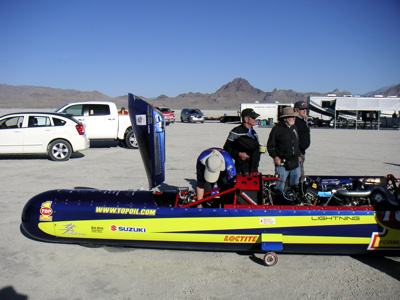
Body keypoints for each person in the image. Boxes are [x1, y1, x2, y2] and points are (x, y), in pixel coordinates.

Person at [267, 106, 301, 194]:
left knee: (295, 187)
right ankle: (278, 203)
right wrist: (275, 157)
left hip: (295, 163)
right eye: (291, 117)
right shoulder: (277, 129)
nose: (294, 118)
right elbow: (270, 146)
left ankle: (293, 203)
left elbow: (296, 143)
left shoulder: (294, 128)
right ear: (285, 119)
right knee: (279, 186)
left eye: (294, 117)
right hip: (282, 163)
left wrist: (298, 154)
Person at [223, 108, 261, 174]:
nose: (256, 119)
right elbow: (226, 147)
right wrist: (239, 154)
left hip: (254, 169)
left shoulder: (254, 133)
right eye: (253, 117)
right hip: (241, 169)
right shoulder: (236, 131)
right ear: (246, 119)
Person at [294, 101, 311, 182]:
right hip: (298, 152)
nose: (304, 111)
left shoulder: (303, 121)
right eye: (302, 109)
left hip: (302, 151)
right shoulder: (295, 122)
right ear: (296, 110)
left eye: (305, 109)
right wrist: (297, 151)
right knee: (299, 174)